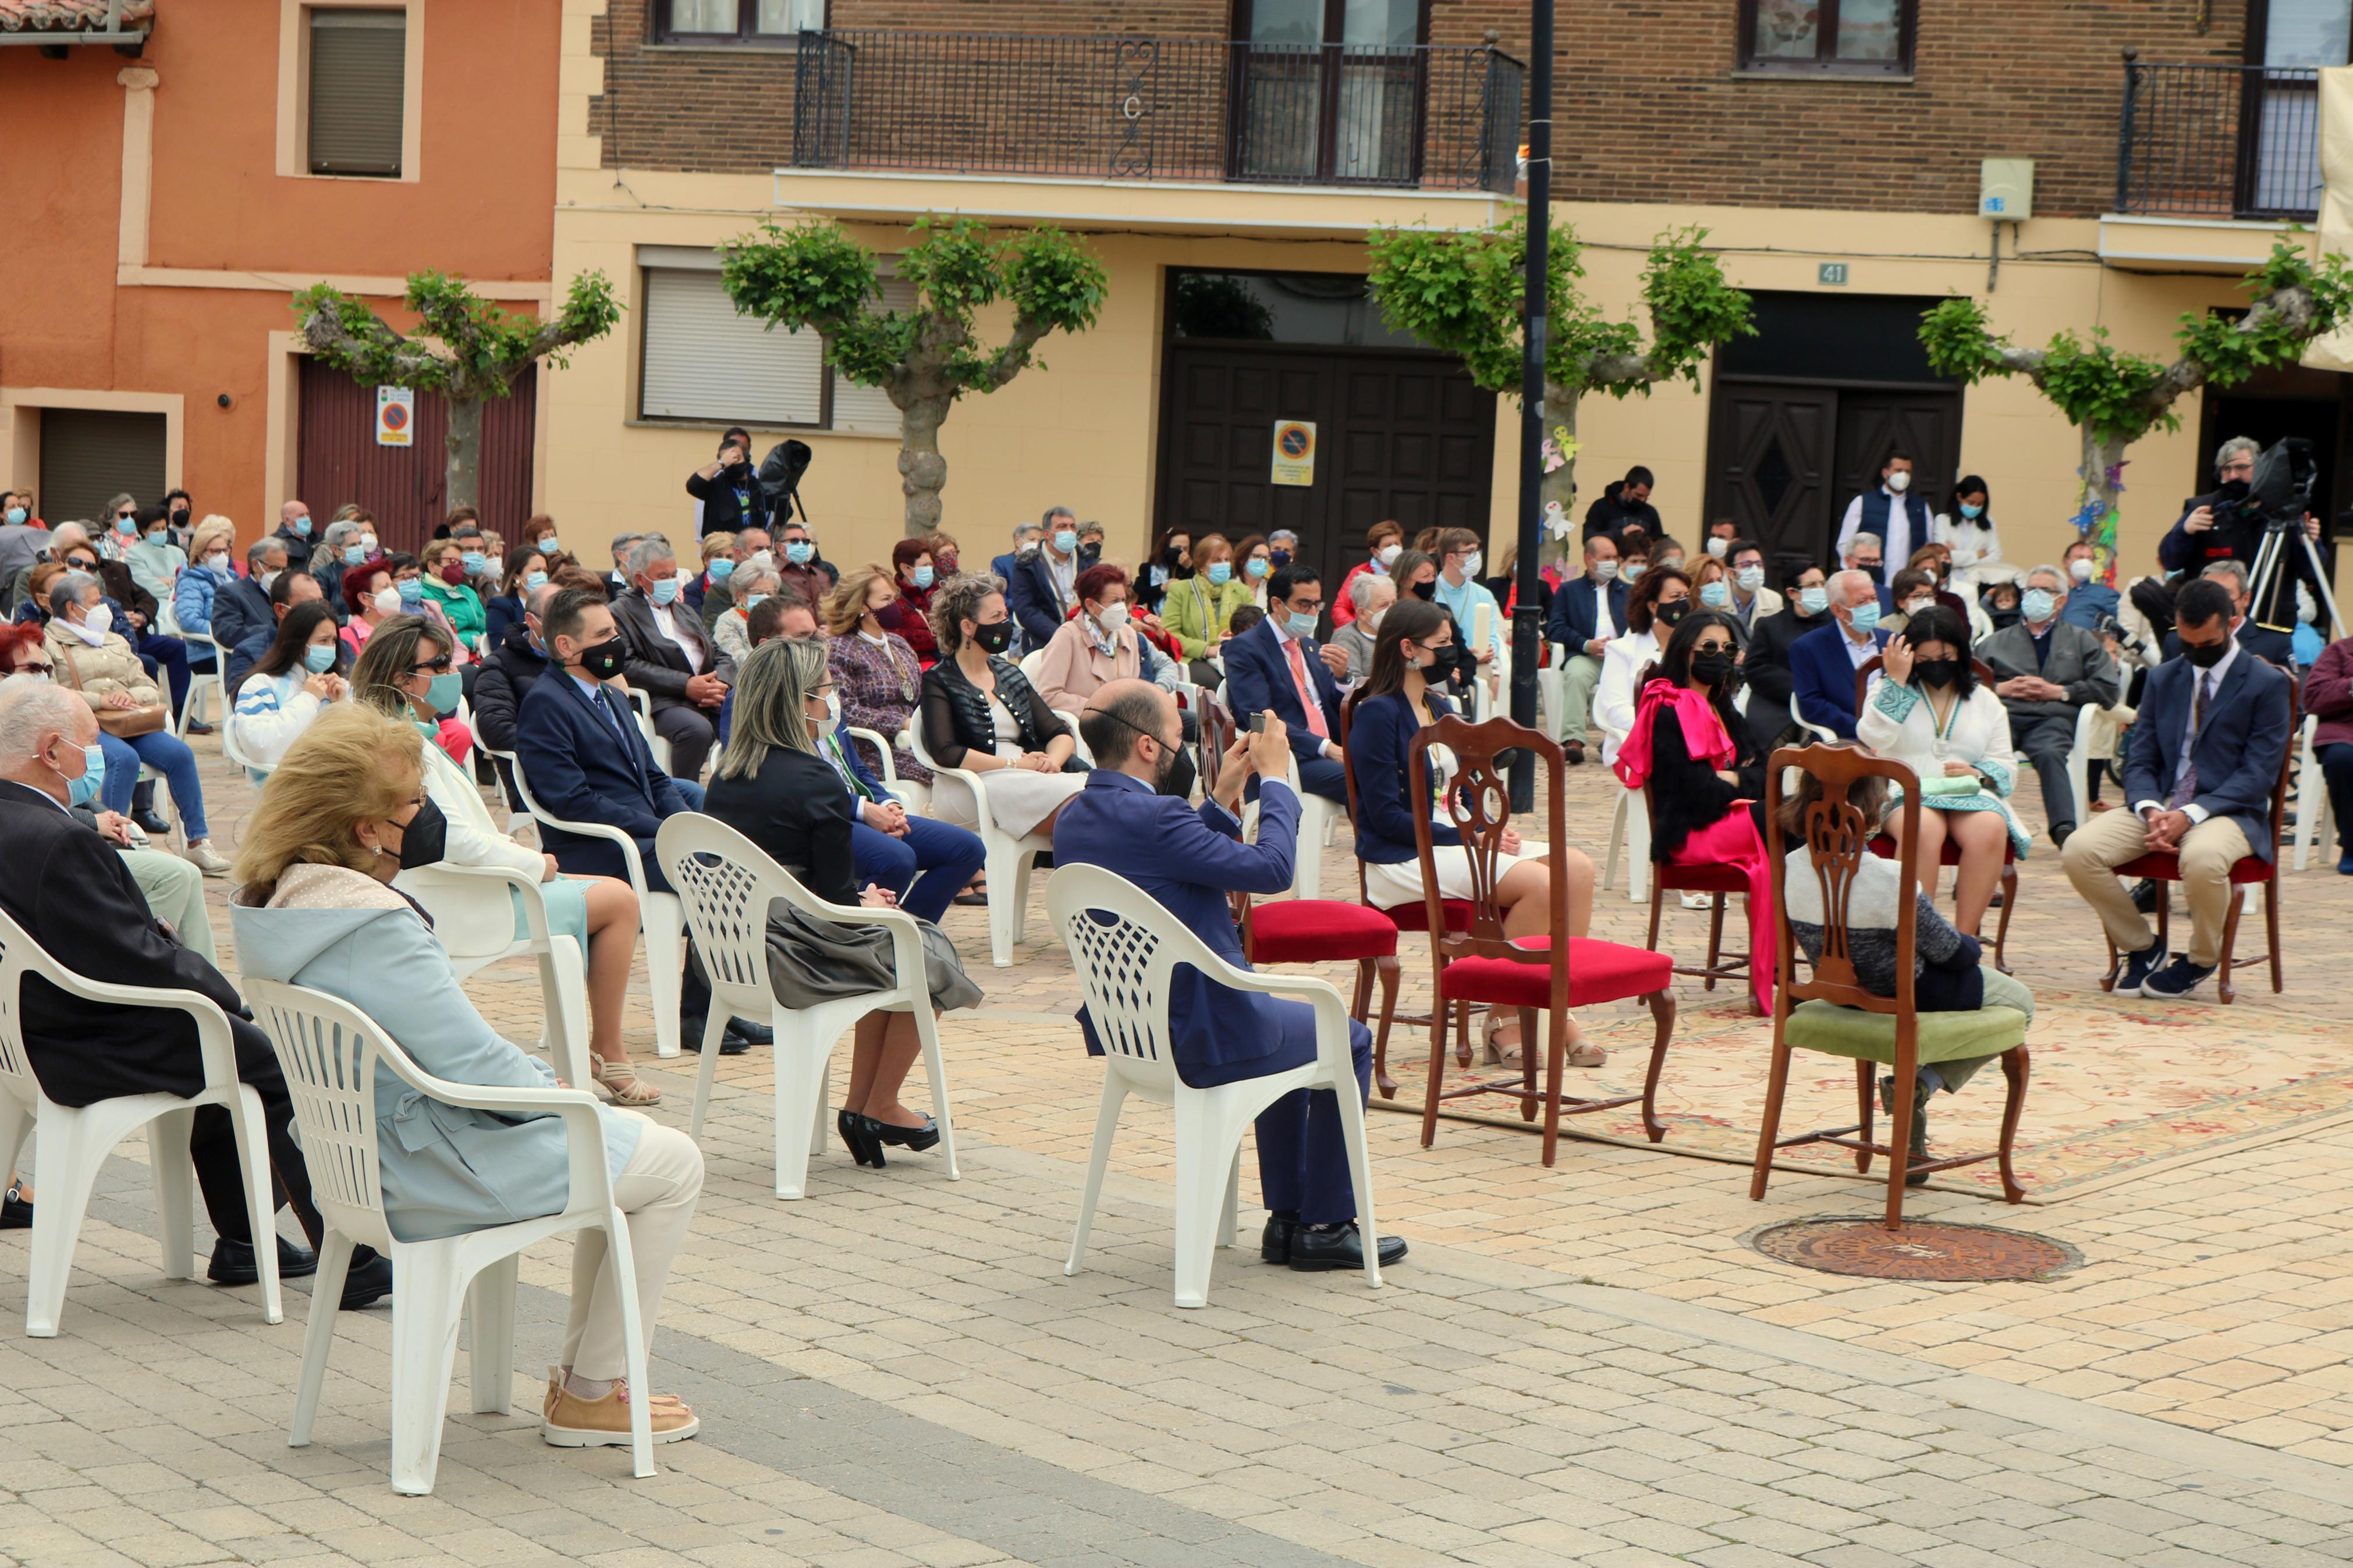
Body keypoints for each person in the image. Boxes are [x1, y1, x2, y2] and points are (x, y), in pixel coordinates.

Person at [228, 702, 698, 1443]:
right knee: (672, 1161)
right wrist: (561, 1095)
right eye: (414, 803)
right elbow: (468, 1060)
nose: (427, 814)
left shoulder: (280, 899)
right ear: (368, 829)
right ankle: (591, 1390)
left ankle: (586, 1382)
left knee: (617, 1140)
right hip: (430, 1165)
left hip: (351, 1162)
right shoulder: (370, 922)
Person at [0, 681, 392, 1303]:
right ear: (52, 752)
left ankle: (242, 1240)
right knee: (272, 1059)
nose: (99, 758)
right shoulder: (60, 839)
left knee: (227, 1043)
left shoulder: (24, 822)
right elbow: (137, 962)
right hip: (82, 1038)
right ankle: (352, 1254)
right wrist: (222, 993)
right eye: (92, 745)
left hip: (32, 1029)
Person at [1057, 680, 1406, 1275]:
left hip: (1134, 1035)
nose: (1181, 745)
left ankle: (1288, 1222)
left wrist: (1219, 801)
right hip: (1206, 1033)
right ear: (1147, 747)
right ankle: (1323, 1225)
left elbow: (1170, 860)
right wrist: (1276, 781)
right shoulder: (1160, 816)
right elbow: (1272, 870)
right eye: (1176, 735)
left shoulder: (1075, 816)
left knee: (1291, 1030)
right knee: (1342, 1035)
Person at [347, 618, 656, 1107]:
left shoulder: (395, 730)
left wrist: (528, 864)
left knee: (602, 886)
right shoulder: (398, 744)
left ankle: (601, 1047)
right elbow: (448, 838)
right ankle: (607, 1049)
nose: (454, 673)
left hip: (454, 883)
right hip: (456, 896)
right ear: (405, 679)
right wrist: (530, 863)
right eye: (440, 665)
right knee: (619, 900)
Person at [704, 637, 984, 1168]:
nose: (832, 702)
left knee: (898, 943)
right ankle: (876, 1104)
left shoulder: (727, 776)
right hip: (798, 953)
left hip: (738, 947)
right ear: (801, 702)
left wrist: (860, 898)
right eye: (827, 691)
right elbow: (835, 902)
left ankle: (864, 1108)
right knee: (924, 951)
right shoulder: (813, 779)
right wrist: (868, 901)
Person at [515, 588, 766, 1054]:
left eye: (615, 631)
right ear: (567, 646)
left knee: (730, 861)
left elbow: (653, 775)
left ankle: (719, 1008)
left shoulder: (609, 696)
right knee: (717, 873)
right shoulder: (545, 703)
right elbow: (572, 802)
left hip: (641, 835)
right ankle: (698, 1017)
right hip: (598, 847)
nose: (617, 643)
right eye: (604, 634)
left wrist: (680, 822)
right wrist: (661, 830)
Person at [1347, 602, 1593, 1059]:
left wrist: (1488, 828)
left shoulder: (1439, 706)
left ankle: (1557, 1006)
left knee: (1576, 867)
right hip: (1401, 855)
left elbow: (1460, 795)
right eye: (1441, 643)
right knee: (1540, 885)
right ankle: (1503, 1018)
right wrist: (1470, 836)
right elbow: (1383, 818)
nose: (1452, 651)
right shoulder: (1376, 714)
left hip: (1452, 841)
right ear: (1408, 649)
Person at [1779, 755, 2035, 1178]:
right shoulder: (1889, 878)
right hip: (1905, 990)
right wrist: (1969, 941)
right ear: (1873, 813)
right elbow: (1953, 954)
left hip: (1835, 993)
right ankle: (1922, 1083)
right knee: (2020, 1002)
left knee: (1940, 998)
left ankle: (1911, 1134)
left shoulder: (1788, 866)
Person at [2063, 577, 2295, 1000]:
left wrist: (2189, 814)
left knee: (2202, 857)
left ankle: (2202, 959)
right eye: (2186, 644)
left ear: (2231, 623)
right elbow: (2141, 758)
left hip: (2229, 810)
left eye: (2205, 643)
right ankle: (2142, 946)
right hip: (2161, 804)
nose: (2195, 654)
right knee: (2079, 850)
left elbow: (2257, 773)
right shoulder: (2163, 678)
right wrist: (2151, 809)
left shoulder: (2266, 683)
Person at [1613, 609, 1775, 1016]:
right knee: (1797, 823)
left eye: (1728, 647)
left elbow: (1767, 768)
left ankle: (1785, 960)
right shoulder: (1668, 708)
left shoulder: (1721, 704)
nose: (1719, 655)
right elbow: (1698, 792)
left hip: (1728, 818)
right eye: (1708, 647)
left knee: (1807, 824)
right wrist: (1741, 780)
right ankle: (1787, 966)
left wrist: (1736, 780)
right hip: (1689, 832)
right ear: (1685, 652)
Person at [1856, 606, 2029, 937]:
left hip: (1966, 792)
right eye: (1925, 658)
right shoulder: (1890, 690)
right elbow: (1872, 738)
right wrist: (1896, 681)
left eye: (1946, 655)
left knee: (1991, 828)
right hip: (1906, 789)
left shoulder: (1984, 700)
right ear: (1910, 655)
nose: (1937, 664)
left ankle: (1963, 943)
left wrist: (1977, 772)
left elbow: (2006, 763)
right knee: (1923, 830)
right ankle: (1919, 939)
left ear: (1961, 653)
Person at [45, 571, 228, 874]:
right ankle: (112, 843)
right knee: (123, 758)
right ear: (71, 608)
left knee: (180, 754)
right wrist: (101, 700)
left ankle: (198, 843)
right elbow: (53, 692)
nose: (104, 608)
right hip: (85, 725)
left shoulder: (114, 640)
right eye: (95, 603)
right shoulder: (51, 643)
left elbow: (149, 685)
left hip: (128, 719)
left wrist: (127, 695)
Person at [918, 573, 1087, 839]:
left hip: (1029, 774)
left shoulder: (1009, 674)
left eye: (1005, 616)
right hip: (970, 783)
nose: (1005, 625)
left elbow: (1058, 732)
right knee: (1080, 810)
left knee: (1098, 798)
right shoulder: (938, 680)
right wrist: (1015, 765)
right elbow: (945, 752)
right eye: (996, 617)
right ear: (968, 627)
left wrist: (1051, 763)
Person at [1979, 563, 2119, 848]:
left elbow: (2108, 689)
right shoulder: (1994, 642)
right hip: (2004, 716)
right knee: (1987, 754)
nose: (2036, 596)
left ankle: (2064, 829)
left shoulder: (2082, 640)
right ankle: (1981, 824)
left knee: (2049, 751)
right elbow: (1966, 685)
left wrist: (2062, 692)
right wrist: (1998, 688)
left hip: (2052, 720)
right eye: (2031, 590)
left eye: (2045, 591)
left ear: (2061, 600)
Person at [2161, 435, 2324, 634]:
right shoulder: (2202, 508)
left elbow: (2311, 572)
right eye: (2226, 470)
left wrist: (2311, 543)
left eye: (2241, 468)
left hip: (2270, 623)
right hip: (2213, 624)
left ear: (2260, 469)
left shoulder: (2283, 511)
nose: (2233, 476)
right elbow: (2169, 560)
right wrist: (2185, 531)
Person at [1222, 564, 1348, 806]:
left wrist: (1343, 679)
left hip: (1327, 752)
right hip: (1287, 758)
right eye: (1304, 605)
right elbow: (1260, 717)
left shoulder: (1309, 646)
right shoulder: (1246, 648)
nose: (1312, 613)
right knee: (1364, 779)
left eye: (1317, 604)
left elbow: (1329, 705)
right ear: (1278, 604)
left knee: (1391, 770)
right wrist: (1325, 747)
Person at [611, 535, 733, 783]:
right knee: (696, 731)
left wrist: (720, 684)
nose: (671, 582)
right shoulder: (619, 613)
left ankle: (736, 795)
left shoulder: (685, 611)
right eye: (663, 577)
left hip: (710, 695)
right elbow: (628, 665)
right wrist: (686, 685)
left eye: (673, 574)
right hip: (664, 700)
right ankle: (684, 799)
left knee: (749, 721)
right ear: (639, 579)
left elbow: (719, 653)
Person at [824, 564, 929, 785]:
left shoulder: (898, 644)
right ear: (862, 606)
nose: (894, 606)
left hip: (914, 741)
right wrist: (901, 723)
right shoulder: (839, 649)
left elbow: (919, 697)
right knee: (937, 768)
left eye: (894, 598)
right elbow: (845, 710)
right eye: (885, 600)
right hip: (870, 750)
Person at [229, 602, 348, 778]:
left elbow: (356, 744)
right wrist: (308, 699)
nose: (330, 648)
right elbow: (262, 748)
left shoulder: (336, 685)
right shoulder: (260, 685)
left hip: (338, 779)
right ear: (298, 643)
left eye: (334, 641)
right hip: (288, 785)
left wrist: (342, 706)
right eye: (323, 640)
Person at [1592, 565, 1694, 764]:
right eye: (1675, 596)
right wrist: (1664, 728)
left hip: (1691, 739)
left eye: (1686, 596)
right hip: (1639, 745)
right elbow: (1616, 709)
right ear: (1653, 606)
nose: (1683, 603)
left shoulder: (1693, 647)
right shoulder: (1622, 649)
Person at [1545, 531, 1627, 765]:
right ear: (1590, 560)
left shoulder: (1629, 591)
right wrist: (1586, 644)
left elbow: (1640, 626)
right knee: (1577, 676)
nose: (1613, 562)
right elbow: (1556, 628)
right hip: (1585, 654)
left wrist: (1621, 646)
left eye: (1615, 557)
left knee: (1638, 680)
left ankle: (1617, 741)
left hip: (1621, 656)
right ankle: (1573, 740)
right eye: (1607, 557)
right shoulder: (1569, 591)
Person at [1790, 568, 1893, 743]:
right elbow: (1812, 705)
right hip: (1843, 738)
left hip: (1892, 736)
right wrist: (1864, 730)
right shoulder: (1808, 648)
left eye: (1874, 598)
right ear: (1838, 610)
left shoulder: (1891, 642)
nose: (1872, 606)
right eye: (1862, 601)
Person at [473, 580, 559, 760]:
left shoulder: (578, 660)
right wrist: (563, 745)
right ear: (531, 620)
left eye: (570, 619)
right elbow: (496, 730)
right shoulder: (499, 665)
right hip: (541, 766)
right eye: (555, 618)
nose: (564, 626)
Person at [2160, 559, 2297, 669]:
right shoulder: (2177, 639)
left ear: (2246, 599)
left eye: (2225, 593)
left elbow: (2291, 699)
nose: (2216, 601)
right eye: (2208, 594)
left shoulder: (2274, 642)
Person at [1162, 532, 1252, 684]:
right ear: (1202, 564)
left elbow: (1254, 629)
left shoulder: (1242, 591)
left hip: (1235, 656)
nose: (1223, 564)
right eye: (1217, 560)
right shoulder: (1181, 590)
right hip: (1195, 657)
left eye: (1227, 560)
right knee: (1215, 682)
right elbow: (1170, 634)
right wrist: (1208, 650)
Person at [1836, 452, 1929, 582]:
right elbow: (1845, 543)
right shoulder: (1863, 502)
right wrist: (1854, 573)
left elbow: (1928, 548)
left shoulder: (1921, 507)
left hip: (1907, 584)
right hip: (1870, 581)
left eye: (1908, 472)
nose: (1904, 476)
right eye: (1898, 470)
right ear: (1886, 473)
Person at [171, 515, 240, 684]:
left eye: (226, 550)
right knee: (259, 665)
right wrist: (225, 633)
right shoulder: (190, 580)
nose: (223, 556)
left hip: (234, 647)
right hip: (207, 652)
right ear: (201, 554)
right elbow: (189, 621)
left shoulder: (230, 577)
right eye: (216, 551)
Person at [229, 569, 326, 689]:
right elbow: (242, 702)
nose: (319, 611)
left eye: (321, 603)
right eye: (309, 605)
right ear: (281, 610)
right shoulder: (248, 653)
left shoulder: (335, 646)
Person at [2306, 630, 2353, 875]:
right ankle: (2352, 845)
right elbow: (2312, 698)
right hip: (2346, 733)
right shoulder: (2339, 652)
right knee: (2342, 759)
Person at [1429, 527, 1503, 678]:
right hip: (1440, 662)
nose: (1476, 557)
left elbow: (1493, 635)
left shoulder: (1483, 594)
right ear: (1451, 558)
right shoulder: (1431, 592)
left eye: (1476, 551)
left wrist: (1488, 649)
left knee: (1492, 680)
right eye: (1470, 552)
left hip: (1478, 662)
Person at [1006, 509, 1084, 647]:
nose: (1069, 531)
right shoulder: (1027, 564)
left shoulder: (1087, 561)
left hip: (1083, 640)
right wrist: (1060, 635)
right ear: (1047, 534)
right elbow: (1026, 609)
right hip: (1043, 641)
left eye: (1073, 527)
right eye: (1062, 527)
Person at [687, 431, 771, 536]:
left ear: (746, 458)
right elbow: (693, 485)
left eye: (737, 457)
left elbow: (782, 509)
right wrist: (721, 463)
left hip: (751, 548)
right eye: (729, 460)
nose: (733, 462)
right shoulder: (716, 486)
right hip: (724, 548)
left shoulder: (758, 486)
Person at [212, 535, 283, 658]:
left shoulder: (286, 593)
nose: (280, 574)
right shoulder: (231, 593)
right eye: (275, 568)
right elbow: (227, 634)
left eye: (284, 569)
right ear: (256, 565)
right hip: (251, 663)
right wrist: (276, 631)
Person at [1932, 475, 2004, 591]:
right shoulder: (1943, 521)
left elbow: (1996, 557)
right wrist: (1977, 555)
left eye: (1979, 504)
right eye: (1971, 503)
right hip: (1947, 584)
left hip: (1976, 585)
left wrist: (1955, 555)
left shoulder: (1989, 524)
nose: (1975, 507)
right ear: (1960, 497)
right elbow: (1942, 558)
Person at [696, 525, 769, 634]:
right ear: (739, 554)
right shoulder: (721, 588)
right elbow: (717, 632)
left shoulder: (779, 583)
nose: (765, 554)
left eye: (768, 549)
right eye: (759, 549)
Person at [418, 540, 487, 653]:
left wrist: (485, 642)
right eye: (453, 562)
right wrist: (474, 641)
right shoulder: (424, 594)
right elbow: (435, 636)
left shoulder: (468, 592)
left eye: (461, 564)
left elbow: (486, 625)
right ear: (432, 566)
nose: (459, 568)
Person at [1332, 520, 1402, 629]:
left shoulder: (1408, 573)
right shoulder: (1359, 573)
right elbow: (1340, 609)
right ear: (1375, 551)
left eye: (1397, 544)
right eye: (1388, 546)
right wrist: (1358, 630)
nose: (1394, 548)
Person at [1332, 571, 1393, 681]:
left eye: (1394, 603)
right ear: (1362, 613)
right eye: (1384, 605)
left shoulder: (1400, 633)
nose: (1391, 609)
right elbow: (1353, 682)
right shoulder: (1346, 637)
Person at [889, 538, 941, 666]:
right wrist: (934, 639)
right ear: (905, 568)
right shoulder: (893, 598)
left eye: (931, 564)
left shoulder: (939, 593)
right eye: (924, 566)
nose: (930, 569)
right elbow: (895, 638)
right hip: (914, 663)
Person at [125, 504, 187, 602]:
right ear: (144, 531)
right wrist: (175, 587)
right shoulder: (134, 554)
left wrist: (168, 582)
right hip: (154, 606)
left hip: (183, 602)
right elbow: (148, 586)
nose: (161, 532)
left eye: (164, 528)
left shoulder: (178, 553)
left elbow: (189, 582)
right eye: (156, 530)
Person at [487, 549, 549, 646]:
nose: (542, 575)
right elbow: (499, 646)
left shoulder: (551, 605)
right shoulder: (500, 605)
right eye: (536, 570)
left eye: (545, 571)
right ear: (516, 577)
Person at [1584, 465, 1660, 543]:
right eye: (1639, 495)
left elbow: (1659, 544)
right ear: (1627, 487)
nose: (1643, 500)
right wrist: (1622, 533)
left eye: (1647, 496)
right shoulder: (1602, 506)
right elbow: (1588, 538)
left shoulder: (1651, 513)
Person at [2060, 540, 2120, 631]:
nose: (2085, 562)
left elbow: (2123, 624)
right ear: (2065, 562)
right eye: (2080, 557)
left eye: (2090, 559)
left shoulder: (2105, 594)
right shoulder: (2054, 591)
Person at [775, 519, 833, 605]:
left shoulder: (822, 576)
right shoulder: (771, 575)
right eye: (794, 541)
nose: (801, 545)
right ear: (779, 547)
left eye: (805, 541)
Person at [683, 531, 733, 616]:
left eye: (729, 557)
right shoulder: (693, 590)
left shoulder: (742, 586)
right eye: (718, 556)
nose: (724, 561)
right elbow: (698, 622)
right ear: (706, 560)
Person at [272, 498, 316, 571]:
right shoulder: (276, 543)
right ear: (288, 520)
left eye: (308, 514)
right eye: (301, 515)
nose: (307, 518)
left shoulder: (317, 538)